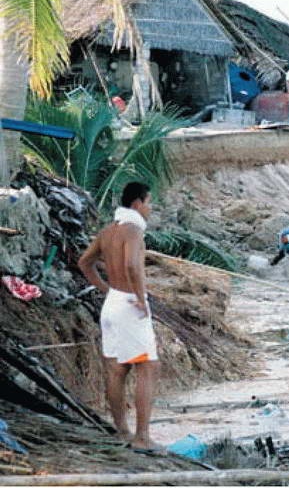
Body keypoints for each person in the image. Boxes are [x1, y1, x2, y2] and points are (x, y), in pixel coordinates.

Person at [78, 183, 160, 452]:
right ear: (137, 203)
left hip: (112, 303)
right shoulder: (133, 230)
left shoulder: (107, 231)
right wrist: (139, 296)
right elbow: (131, 265)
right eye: (148, 202)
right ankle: (142, 437)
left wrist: (106, 289)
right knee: (147, 367)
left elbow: (84, 262)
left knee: (116, 369)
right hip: (128, 304)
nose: (150, 208)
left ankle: (121, 431)